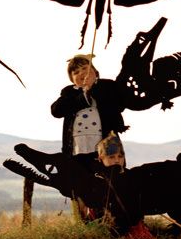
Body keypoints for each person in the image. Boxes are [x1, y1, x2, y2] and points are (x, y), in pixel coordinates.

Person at [52, 54, 128, 221]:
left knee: (110, 181)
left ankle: (116, 218)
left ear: (95, 71)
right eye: (76, 72)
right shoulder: (69, 93)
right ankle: (88, 220)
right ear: (72, 79)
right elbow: (56, 111)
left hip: (106, 146)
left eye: (85, 69)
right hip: (78, 148)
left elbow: (119, 104)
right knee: (82, 184)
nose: (81, 74)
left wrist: (93, 89)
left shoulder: (108, 87)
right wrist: (83, 96)